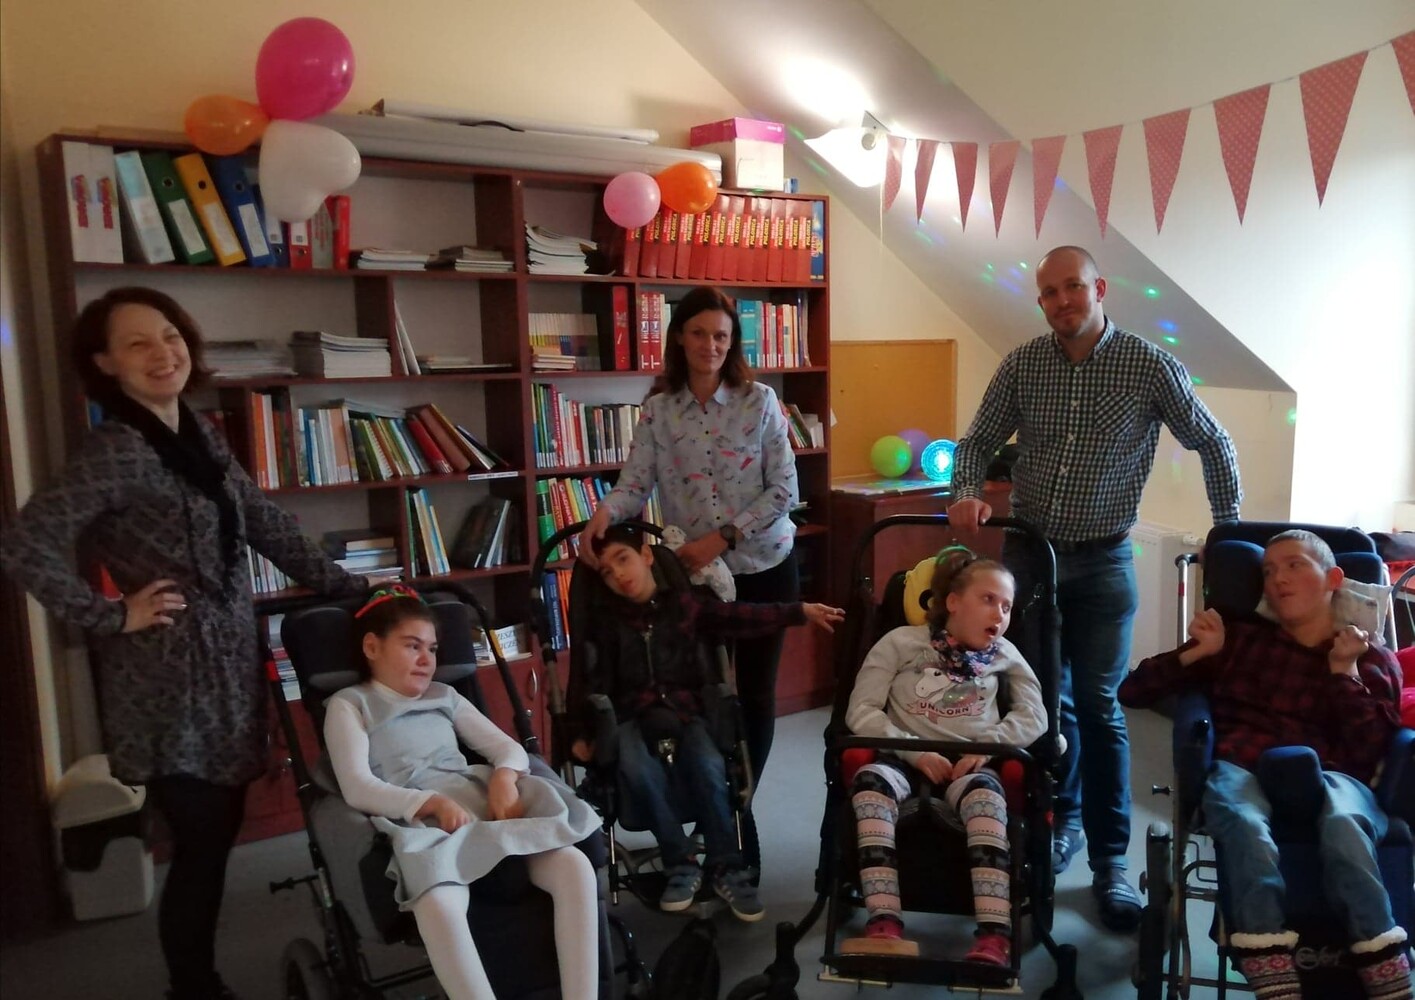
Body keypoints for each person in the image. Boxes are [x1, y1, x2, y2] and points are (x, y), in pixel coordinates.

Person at [0, 287, 368, 1000]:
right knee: (201, 841)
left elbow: (261, 520)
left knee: (215, 835)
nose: (162, 352)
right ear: (105, 363)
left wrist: (355, 589)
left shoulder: (196, 434)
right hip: (166, 676)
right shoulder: (116, 450)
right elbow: (24, 543)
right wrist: (110, 615)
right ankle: (193, 986)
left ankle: (193, 980)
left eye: (169, 334)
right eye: (137, 343)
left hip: (227, 661)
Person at [948, 245, 1242, 932]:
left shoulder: (1147, 364)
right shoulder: (1023, 364)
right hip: (1030, 558)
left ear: (1099, 288)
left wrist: (1227, 533)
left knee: (1101, 708)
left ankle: (1112, 863)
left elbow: (1212, 441)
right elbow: (976, 442)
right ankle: (1061, 826)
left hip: (1106, 560)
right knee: (1042, 705)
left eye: (1072, 288)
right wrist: (964, 490)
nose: (1062, 302)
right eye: (1049, 293)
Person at [1118, 531, 1410, 1000]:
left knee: (1344, 823)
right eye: (1269, 570)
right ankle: (1268, 959)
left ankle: (1380, 956)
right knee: (1244, 821)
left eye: (1295, 565)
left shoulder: (1367, 654)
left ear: (1333, 578)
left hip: (1335, 771)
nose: (1278, 579)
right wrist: (1200, 651)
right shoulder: (1240, 641)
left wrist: (1345, 673)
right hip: (1245, 764)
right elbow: (1133, 692)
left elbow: (1371, 748)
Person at [578, 285, 800, 873]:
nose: (710, 345)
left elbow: (784, 490)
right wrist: (604, 514)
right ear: (680, 336)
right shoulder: (659, 408)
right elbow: (635, 483)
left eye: (721, 336)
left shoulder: (760, 402)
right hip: (695, 579)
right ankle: (710, 800)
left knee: (755, 696)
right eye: (699, 333)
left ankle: (734, 813)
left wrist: (722, 537)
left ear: (733, 342)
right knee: (705, 696)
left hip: (764, 565)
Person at [326, 586, 603, 1000]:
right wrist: (430, 803)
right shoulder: (351, 704)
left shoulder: (445, 696)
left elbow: (508, 748)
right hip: (421, 818)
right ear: (372, 647)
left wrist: (504, 778)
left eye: (433, 649)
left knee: (574, 866)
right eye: (412, 646)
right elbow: (357, 785)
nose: (427, 660)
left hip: (475, 801)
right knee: (438, 903)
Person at [568, 524, 843, 921]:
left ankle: (726, 867)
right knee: (635, 768)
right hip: (632, 717)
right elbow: (589, 681)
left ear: (646, 556)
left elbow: (741, 616)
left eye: (623, 560)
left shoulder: (686, 606)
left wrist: (799, 611)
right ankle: (679, 862)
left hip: (687, 712)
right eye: (608, 572)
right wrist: (581, 733)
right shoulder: (607, 624)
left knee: (711, 766)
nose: (619, 575)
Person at [841, 548, 1046, 966]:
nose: (1000, 614)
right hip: (903, 754)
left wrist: (988, 745)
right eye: (988, 599)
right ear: (953, 601)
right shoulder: (901, 642)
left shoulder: (1005, 654)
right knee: (869, 784)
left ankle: (994, 935)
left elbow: (1035, 716)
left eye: (1007, 606)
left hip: (972, 760)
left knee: (987, 799)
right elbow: (861, 710)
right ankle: (883, 923)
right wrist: (911, 751)